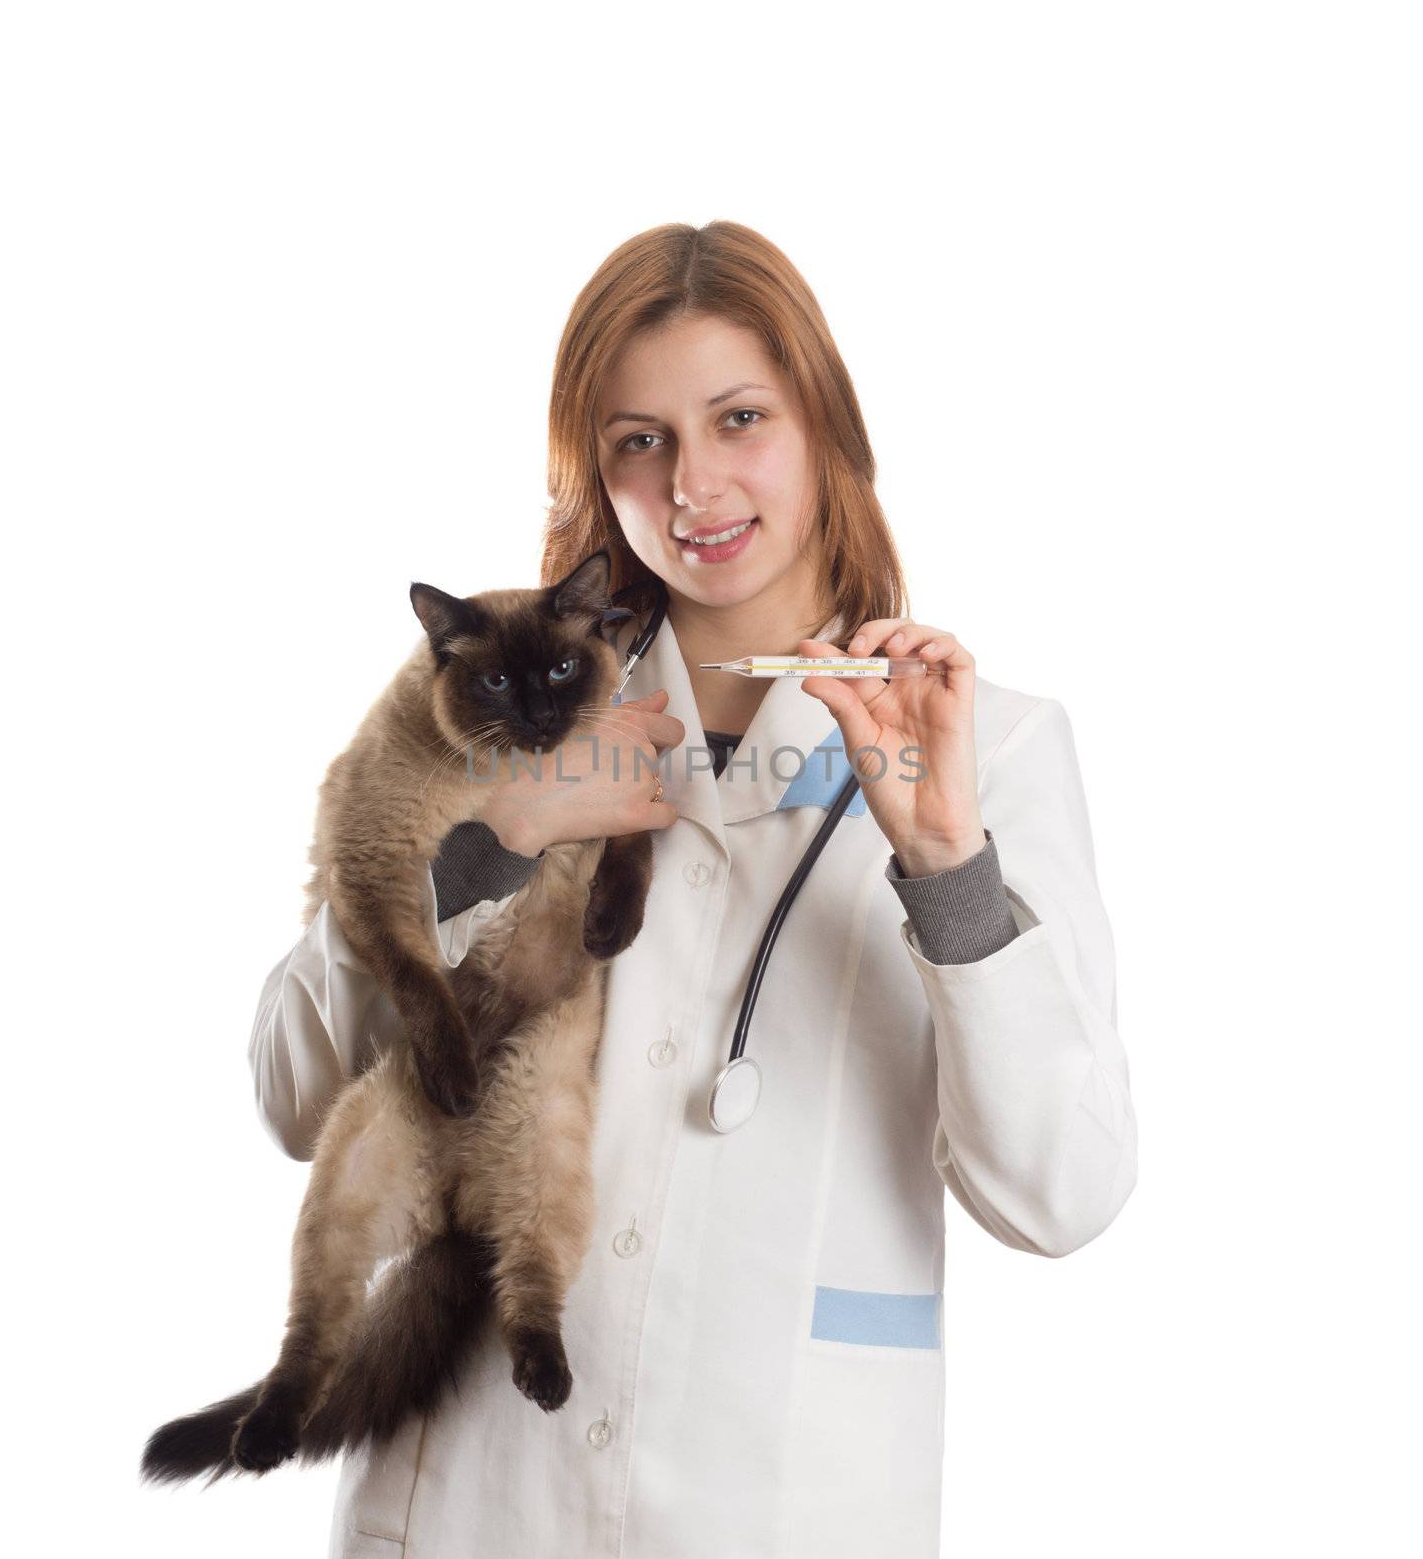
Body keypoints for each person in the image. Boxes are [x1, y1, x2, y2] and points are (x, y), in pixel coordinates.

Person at [249, 220, 1138, 1558]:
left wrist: (947, 868)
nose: (693, 484)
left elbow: (1062, 1191)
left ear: (826, 426)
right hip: (471, 1499)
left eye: (738, 419)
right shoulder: (484, 718)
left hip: (775, 1492)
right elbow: (289, 1089)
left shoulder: (987, 746)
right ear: (595, 472)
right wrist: (499, 836)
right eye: (638, 440)